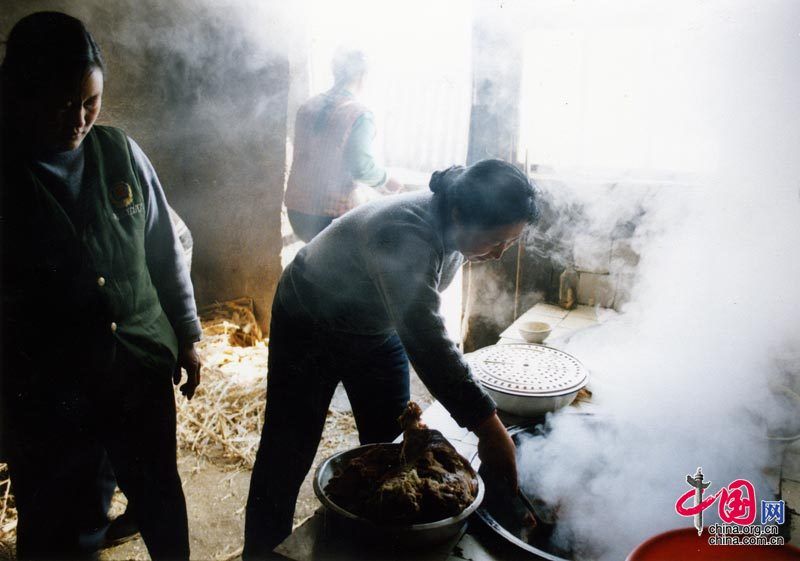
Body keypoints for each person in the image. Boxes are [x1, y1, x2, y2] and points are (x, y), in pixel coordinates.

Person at [243, 158, 538, 558]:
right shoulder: (406, 232)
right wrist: (488, 426)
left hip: (373, 324)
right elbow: (426, 339)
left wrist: (484, 421)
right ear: (459, 213)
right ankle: (262, 553)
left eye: (510, 243)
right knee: (287, 449)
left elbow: (422, 319)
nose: (501, 254)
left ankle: (381, 544)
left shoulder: (454, 219)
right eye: (495, 241)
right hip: (309, 318)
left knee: (400, 445)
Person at [0, 12, 202, 560]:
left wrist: (187, 333)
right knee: (60, 516)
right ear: (21, 95)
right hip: (51, 391)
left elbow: (164, 247)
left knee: (159, 492)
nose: (80, 118)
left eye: (90, 101)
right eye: (63, 104)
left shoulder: (121, 152)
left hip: (138, 366)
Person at [283, 48, 403, 242]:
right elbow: (361, 167)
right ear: (363, 76)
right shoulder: (359, 114)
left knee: (317, 261)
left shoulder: (308, 107)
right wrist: (386, 180)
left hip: (297, 212)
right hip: (329, 217)